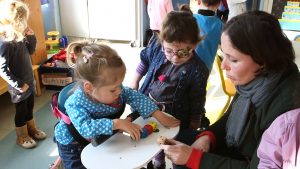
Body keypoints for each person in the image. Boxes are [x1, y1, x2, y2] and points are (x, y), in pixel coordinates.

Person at [159, 11, 300, 169]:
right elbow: (231, 115)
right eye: (223, 55)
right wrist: (209, 136)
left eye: (233, 59)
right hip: (240, 149)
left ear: (262, 60)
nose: (223, 65)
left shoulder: (286, 116)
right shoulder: (255, 79)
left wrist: (196, 158)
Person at [54, 41, 180, 169]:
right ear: (89, 87)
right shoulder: (75, 103)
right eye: (113, 90)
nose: (120, 91)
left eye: (120, 85)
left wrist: (157, 114)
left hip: (102, 137)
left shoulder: (114, 89)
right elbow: (86, 128)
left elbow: (134, 96)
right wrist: (118, 123)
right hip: (74, 143)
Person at [130, 9, 209, 168]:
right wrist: (135, 81)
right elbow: (144, 60)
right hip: (147, 106)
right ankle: (156, 160)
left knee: (166, 142)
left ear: (194, 45)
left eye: (182, 52)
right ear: (162, 42)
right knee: (149, 136)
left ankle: (162, 161)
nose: (174, 57)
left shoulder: (198, 69)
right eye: (169, 51)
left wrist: (195, 120)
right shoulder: (156, 46)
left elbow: (197, 98)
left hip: (173, 117)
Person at [0, 0, 47, 149]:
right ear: (15, 21)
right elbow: (2, 69)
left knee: (30, 107)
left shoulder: (20, 36)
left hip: (28, 79)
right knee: (21, 111)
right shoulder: (5, 41)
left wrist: (31, 36)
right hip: (19, 86)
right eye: (23, 20)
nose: (26, 23)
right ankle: (21, 137)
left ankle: (31, 130)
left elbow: (31, 51)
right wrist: (19, 84)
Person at [194, 0, 224, 71]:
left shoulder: (190, 18)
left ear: (199, 1)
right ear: (219, 4)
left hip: (186, 64)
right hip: (206, 68)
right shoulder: (220, 25)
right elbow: (221, 45)